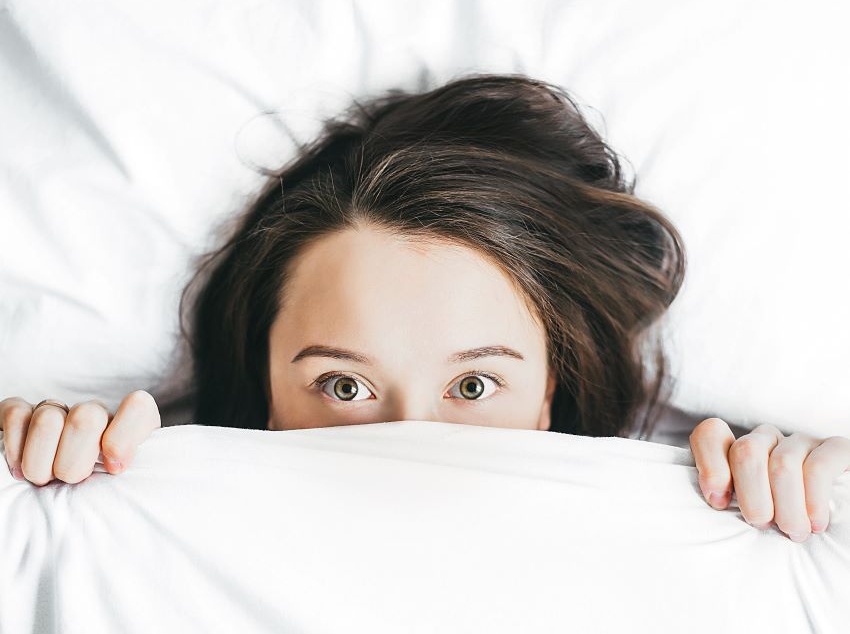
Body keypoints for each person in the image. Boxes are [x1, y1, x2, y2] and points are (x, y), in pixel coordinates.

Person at [1, 73, 847, 544]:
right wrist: (33, 471)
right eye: (342, 386)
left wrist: (818, 494)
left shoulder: (697, 524)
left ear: (555, 388)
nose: (410, 443)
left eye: (474, 387)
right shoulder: (141, 523)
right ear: (261, 385)